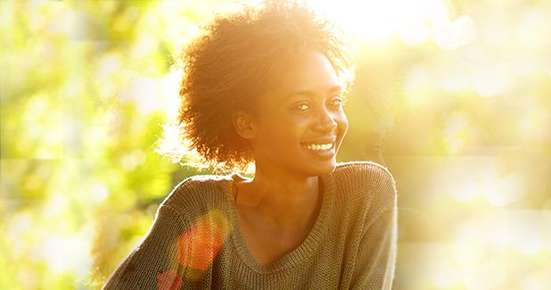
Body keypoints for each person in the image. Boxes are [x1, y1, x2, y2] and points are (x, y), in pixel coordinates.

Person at [104, 1, 397, 289]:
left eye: (334, 102)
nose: (328, 121)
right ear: (246, 124)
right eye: (302, 106)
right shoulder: (198, 208)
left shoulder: (362, 195)